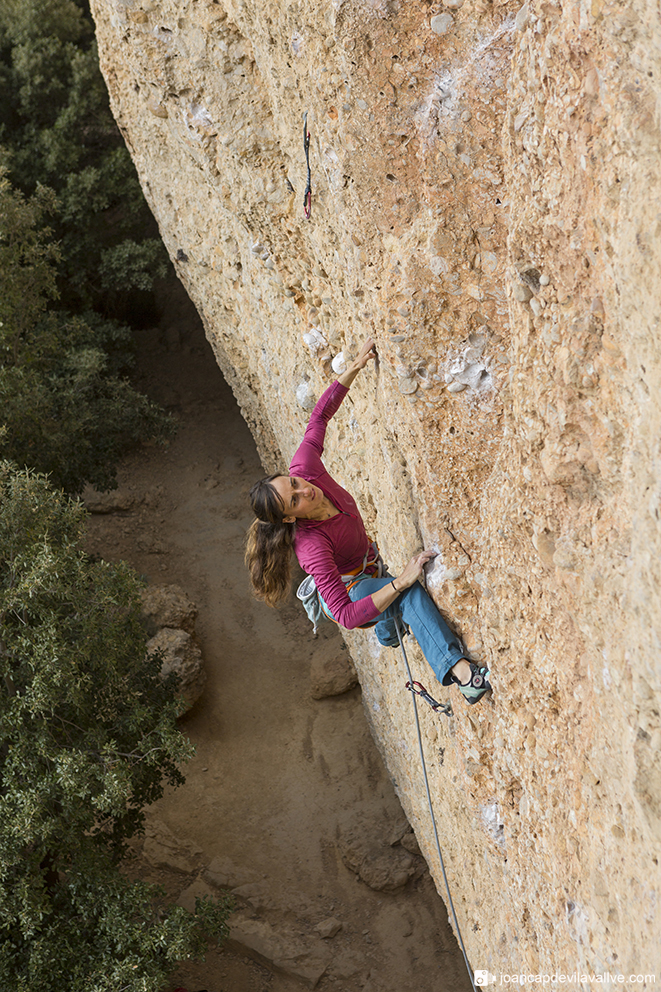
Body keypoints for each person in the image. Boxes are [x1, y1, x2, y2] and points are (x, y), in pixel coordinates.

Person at [245, 337, 492, 705]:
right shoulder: (310, 546)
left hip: (367, 565)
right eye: (294, 500)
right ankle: (464, 676)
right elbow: (344, 615)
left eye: (294, 484)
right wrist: (401, 582)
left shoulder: (306, 469)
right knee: (407, 593)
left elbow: (319, 418)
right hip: (348, 592)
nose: (305, 492)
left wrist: (353, 369)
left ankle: (388, 630)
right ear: (286, 517)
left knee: (393, 602)